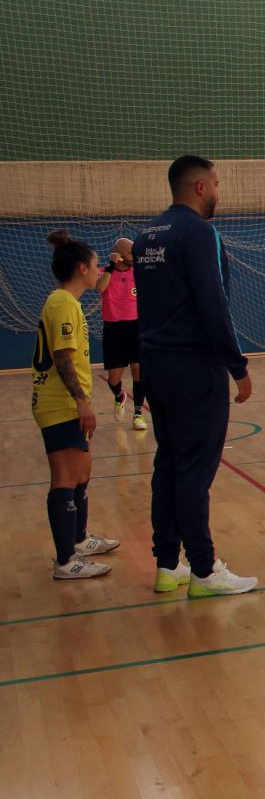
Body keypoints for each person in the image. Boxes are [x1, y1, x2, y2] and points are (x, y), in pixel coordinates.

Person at [133, 155, 257, 597]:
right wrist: (237, 366)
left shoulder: (147, 235)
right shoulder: (199, 233)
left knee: (168, 462)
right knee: (193, 470)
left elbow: (144, 307)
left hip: (156, 364)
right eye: (217, 184)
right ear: (201, 187)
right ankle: (203, 569)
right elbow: (213, 304)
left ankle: (168, 565)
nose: (220, 193)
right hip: (193, 367)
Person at [33, 230, 120, 579]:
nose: (100, 271)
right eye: (97, 266)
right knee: (65, 477)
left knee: (82, 471)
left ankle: (80, 540)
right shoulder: (64, 304)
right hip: (60, 405)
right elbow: (63, 358)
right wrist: (82, 401)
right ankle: (66, 561)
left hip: (68, 404)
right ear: (82, 268)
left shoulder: (67, 302)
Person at [96, 237, 147, 431]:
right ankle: (119, 396)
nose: (133, 257)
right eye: (129, 254)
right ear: (119, 255)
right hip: (114, 329)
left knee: (138, 371)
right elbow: (100, 287)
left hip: (135, 326)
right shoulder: (104, 271)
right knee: (114, 378)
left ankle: (138, 414)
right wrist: (110, 265)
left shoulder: (138, 272)